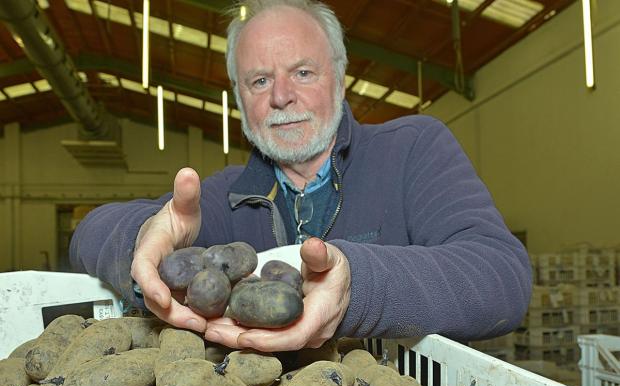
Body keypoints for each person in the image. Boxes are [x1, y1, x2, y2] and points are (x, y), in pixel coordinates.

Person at [70, 0, 532, 352]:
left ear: (340, 77)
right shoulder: (227, 198)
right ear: (239, 98)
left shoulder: (413, 148)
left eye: (303, 72)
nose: (282, 97)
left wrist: (356, 286)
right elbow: (87, 233)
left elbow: (502, 277)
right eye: (260, 81)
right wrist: (142, 238)